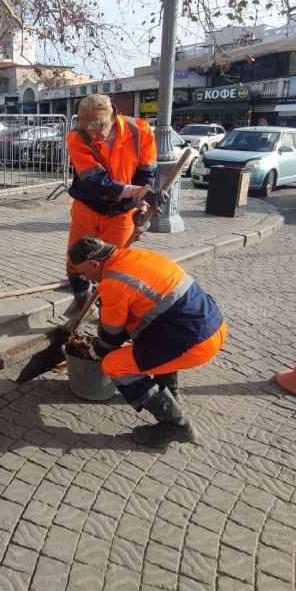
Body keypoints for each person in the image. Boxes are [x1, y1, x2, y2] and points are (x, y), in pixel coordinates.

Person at [68, 235, 227, 447]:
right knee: (147, 340)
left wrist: (94, 352)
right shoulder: (137, 255)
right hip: (214, 326)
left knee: (113, 364)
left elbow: (111, 339)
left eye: (85, 273)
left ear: (94, 263)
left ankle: (175, 425)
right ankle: (171, 396)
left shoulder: (114, 281)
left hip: (194, 343)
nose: (88, 278)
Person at [65, 94, 166, 311]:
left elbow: (146, 172)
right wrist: (138, 192)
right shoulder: (76, 137)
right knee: (76, 261)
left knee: (114, 266)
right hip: (88, 206)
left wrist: (143, 206)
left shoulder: (139, 131)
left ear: (112, 118)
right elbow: (96, 183)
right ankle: (83, 303)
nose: (91, 134)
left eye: (96, 128)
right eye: (86, 127)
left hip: (122, 212)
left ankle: (108, 312)